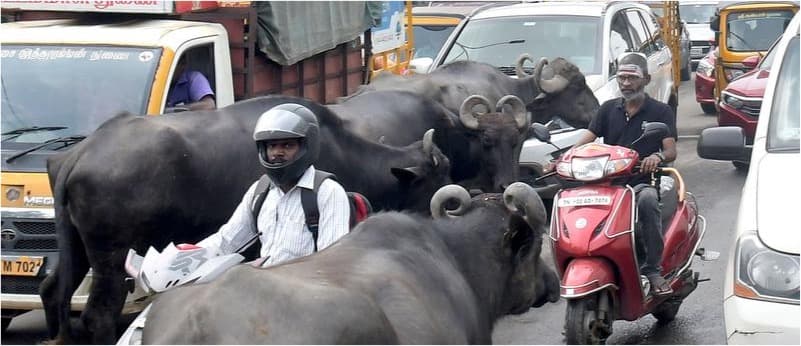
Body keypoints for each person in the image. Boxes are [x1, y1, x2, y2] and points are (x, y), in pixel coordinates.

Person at [570, 52, 677, 296]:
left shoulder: (660, 112)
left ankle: (652, 269)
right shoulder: (608, 109)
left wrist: (656, 157)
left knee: (648, 201)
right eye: (621, 78)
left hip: (641, 183)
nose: (626, 83)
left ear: (646, 79)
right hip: (607, 184)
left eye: (632, 78)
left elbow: (670, 150)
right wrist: (565, 157)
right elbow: (588, 138)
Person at [196, 103, 351, 266]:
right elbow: (226, 242)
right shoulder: (259, 191)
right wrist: (190, 256)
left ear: (307, 146)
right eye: (272, 146)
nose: (277, 152)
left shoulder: (328, 193)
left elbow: (331, 264)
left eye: (287, 145)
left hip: (302, 288)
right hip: (264, 285)